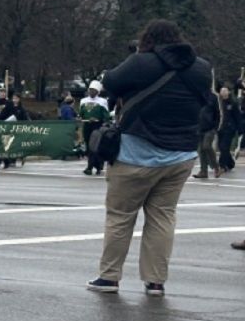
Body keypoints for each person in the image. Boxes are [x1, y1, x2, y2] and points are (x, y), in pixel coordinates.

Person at [86, 19, 213, 297]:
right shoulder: (202, 68)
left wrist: (135, 56)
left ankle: (109, 277)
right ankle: (155, 281)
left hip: (136, 152)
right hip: (181, 155)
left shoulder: (141, 62)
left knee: (120, 216)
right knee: (163, 217)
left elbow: (110, 81)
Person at [80, 81, 110, 176]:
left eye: (93, 90)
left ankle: (91, 167)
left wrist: (102, 122)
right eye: (90, 90)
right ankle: (96, 166)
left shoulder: (102, 101)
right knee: (89, 146)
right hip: (87, 125)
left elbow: (106, 115)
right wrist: (81, 118)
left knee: (95, 146)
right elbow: (81, 114)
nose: (91, 92)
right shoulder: (83, 101)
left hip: (97, 126)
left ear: (97, 92)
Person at [192, 94, 221, 180]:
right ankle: (203, 171)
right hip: (199, 127)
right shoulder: (198, 94)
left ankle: (216, 167)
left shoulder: (213, 97)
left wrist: (215, 126)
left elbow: (217, 113)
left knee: (206, 146)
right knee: (201, 150)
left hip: (210, 128)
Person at [217, 85, 240, 175]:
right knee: (222, 147)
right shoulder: (219, 103)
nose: (223, 92)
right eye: (221, 90)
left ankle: (222, 166)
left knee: (224, 146)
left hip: (230, 128)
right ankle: (230, 163)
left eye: (225, 90)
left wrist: (240, 129)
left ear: (229, 92)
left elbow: (237, 116)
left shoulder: (233, 103)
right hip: (220, 128)